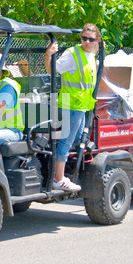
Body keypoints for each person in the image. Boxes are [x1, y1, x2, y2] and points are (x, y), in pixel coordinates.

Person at [45, 23, 102, 192]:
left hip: (83, 106)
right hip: (71, 105)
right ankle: (59, 179)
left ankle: (60, 172)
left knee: (77, 140)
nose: (87, 42)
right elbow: (51, 70)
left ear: (96, 40)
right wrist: (49, 55)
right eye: (84, 38)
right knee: (67, 141)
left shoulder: (91, 54)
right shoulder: (72, 54)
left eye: (91, 39)